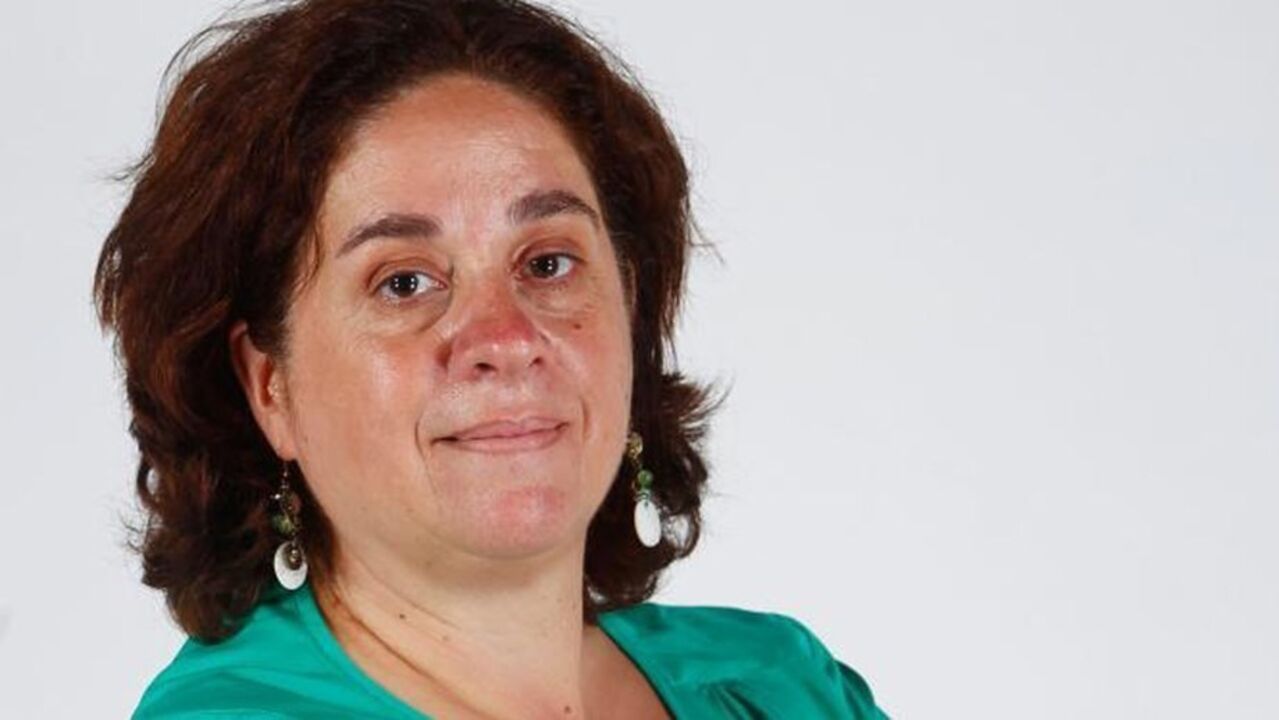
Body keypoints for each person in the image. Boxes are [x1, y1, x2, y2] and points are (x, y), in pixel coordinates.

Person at [93, 0, 889, 717]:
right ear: (270, 387)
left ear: (629, 306)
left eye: (547, 263)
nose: (505, 339)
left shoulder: (778, 684)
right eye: (404, 282)